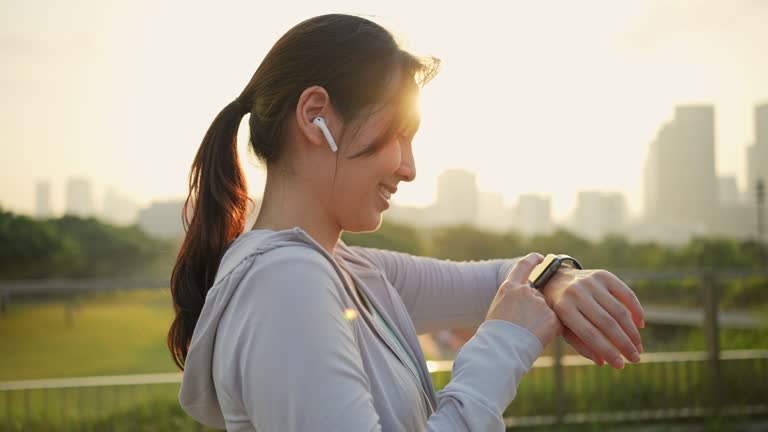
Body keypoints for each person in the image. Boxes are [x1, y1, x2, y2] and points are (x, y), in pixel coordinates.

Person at [168, 14, 645, 432]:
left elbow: (491, 282)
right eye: (397, 134)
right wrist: (501, 347)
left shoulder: (352, 272)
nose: (409, 167)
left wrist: (558, 276)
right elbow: (501, 312)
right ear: (316, 117)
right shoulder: (284, 282)